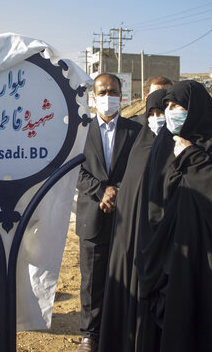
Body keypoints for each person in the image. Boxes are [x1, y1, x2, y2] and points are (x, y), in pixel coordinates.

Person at [138, 80, 212, 352]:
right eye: (167, 105)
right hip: (169, 252)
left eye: (177, 105)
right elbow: (152, 196)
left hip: (209, 258)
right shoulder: (163, 145)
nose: (171, 111)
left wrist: (194, 160)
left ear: (196, 107)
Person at [75, 73, 141, 352]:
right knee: (92, 280)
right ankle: (90, 335)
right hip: (93, 215)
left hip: (127, 217)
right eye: (102, 92)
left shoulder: (136, 131)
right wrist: (102, 191)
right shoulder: (81, 132)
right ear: (93, 97)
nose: (107, 97)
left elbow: (141, 167)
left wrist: (119, 192)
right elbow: (74, 170)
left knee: (127, 274)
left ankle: (122, 330)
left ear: (121, 95)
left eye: (112, 92)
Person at [98, 88, 167, 352]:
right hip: (131, 239)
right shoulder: (140, 145)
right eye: (153, 113)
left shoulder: (177, 147)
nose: (158, 118)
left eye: (164, 112)